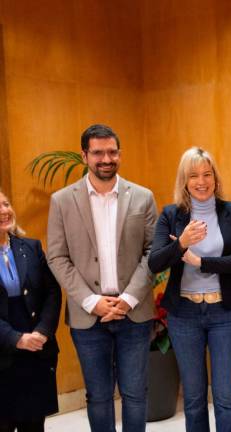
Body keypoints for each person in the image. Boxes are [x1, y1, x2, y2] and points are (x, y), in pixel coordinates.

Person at [47, 124, 157, 432]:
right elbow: (57, 256)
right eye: (98, 152)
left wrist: (128, 299)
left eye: (112, 152)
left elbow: (154, 252)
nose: (106, 159)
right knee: (98, 397)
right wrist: (93, 301)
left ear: (119, 154)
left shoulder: (143, 197)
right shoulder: (62, 201)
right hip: (88, 317)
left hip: (133, 313)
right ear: (84, 156)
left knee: (136, 395)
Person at [149, 147, 231, 432]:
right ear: (184, 181)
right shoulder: (171, 215)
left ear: (215, 179)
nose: (201, 181)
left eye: (207, 174)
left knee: (226, 397)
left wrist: (201, 261)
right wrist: (181, 242)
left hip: (225, 313)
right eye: (193, 175)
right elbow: (155, 262)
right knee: (194, 398)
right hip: (184, 315)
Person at [0, 189, 61, 432]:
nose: (4, 211)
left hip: (36, 351)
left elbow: (52, 293)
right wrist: (15, 339)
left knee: (34, 425)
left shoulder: (32, 247)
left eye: (6, 204)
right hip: (3, 353)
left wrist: (43, 331)